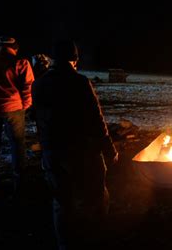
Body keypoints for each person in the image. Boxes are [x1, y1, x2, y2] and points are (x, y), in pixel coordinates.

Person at [32, 40, 118, 249]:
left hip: (53, 152)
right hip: (83, 152)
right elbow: (96, 120)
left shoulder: (39, 84)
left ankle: (65, 244)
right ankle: (96, 237)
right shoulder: (80, 82)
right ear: (75, 59)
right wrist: (109, 149)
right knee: (97, 196)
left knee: (62, 202)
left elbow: (39, 119)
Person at [0, 36, 34, 197]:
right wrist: (25, 105)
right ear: (15, 47)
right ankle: (20, 185)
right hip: (14, 109)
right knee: (17, 146)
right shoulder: (21, 63)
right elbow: (28, 86)